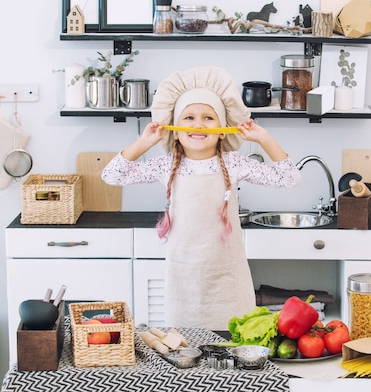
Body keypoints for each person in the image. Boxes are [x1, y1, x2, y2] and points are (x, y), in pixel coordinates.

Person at [102, 66, 301, 330]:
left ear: (222, 129)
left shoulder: (234, 163)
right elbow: (112, 176)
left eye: (209, 117)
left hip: (227, 277)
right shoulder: (166, 165)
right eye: (189, 117)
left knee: (231, 347)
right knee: (187, 349)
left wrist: (263, 138)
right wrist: (144, 142)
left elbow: (289, 178)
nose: (198, 124)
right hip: (183, 277)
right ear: (175, 129)